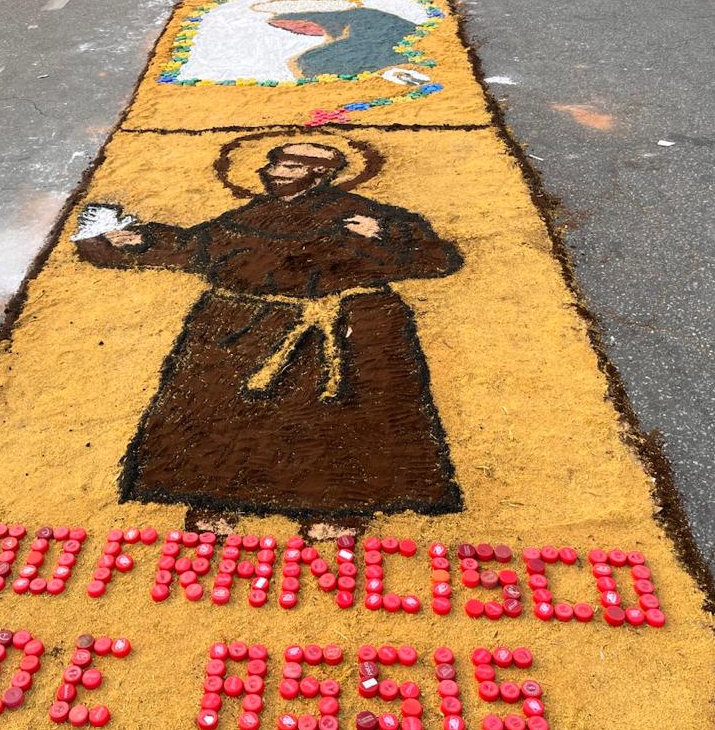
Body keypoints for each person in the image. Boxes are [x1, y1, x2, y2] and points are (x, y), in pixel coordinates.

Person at [75, 141, 465, 520]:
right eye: (274, 165)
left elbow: (439, 259)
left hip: (348, 327)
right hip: (248, 326)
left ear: (320, 175)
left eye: (289, 167)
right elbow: (197, 245)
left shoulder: (363, 215)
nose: (274, 173)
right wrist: (140, 238)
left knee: (341, 422)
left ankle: (343, 508)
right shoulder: (252, 216)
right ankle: (214, 498)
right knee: (224, 415)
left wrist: (383, 233)